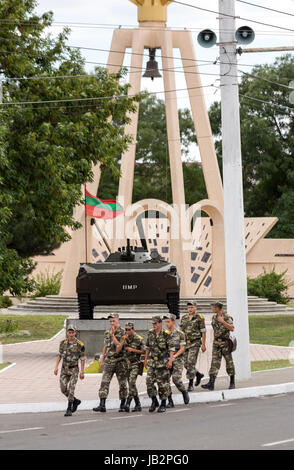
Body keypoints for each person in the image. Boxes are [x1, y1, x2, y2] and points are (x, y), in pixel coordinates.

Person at [93, 313, 128, 413]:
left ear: (118, 320)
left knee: (122, 384)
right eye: (110, 321)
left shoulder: (123, 332)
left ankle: (122, 404)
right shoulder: (107, 332)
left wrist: (113, 335)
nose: (112, 323)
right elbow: (105, 346)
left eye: (114, 321)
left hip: (120, 360)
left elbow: (119, 346)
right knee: (104, 382)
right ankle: (102, 404)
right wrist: (102, 360)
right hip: (109, 360)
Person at [202, 302, 235, 391]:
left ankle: (232, 382)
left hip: (225, 343)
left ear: (217, 308)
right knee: (214, 362)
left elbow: (232, 328)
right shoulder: (214, 317)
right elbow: (214, 329)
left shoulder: (227, 317)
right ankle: (211, 383)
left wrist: (223, 321)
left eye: (213, 307)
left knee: (229, 362)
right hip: (216, 343)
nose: (212, 308)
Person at [54, 324, 85, 417]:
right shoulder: (63, 343)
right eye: (69, 332)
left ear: (75, 333)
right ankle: (75, 401)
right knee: (63, 389)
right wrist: (56, 367)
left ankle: (69, 408)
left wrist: (82, 372)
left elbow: (82, 358)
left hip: (74, 369)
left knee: (71, 388)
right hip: (64, 369)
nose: (71, 334)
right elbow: (60, 355)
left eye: (72, 332)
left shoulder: (80, 344)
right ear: (67, 333)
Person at [144, 315, 173, 413]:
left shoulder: (166, 334)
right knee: (149, 382)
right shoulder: (150, 333)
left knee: (162, 384)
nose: (154, 325)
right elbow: (147, 347)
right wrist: (145, 359)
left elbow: (171, 349)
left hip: (162, 362)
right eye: (153, 323)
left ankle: (163, 403)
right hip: (152, 362)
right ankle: (154, 401)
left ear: (160, 323)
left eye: (155, 323)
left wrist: (170, 361)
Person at [116, 322, 146, 412]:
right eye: (126, 330)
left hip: (135, 364)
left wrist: (133, 350)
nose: (127, 331)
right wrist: (123, 341)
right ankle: (138, 404)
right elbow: (117, 350)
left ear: (133, 329)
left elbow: (144, 351)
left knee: (132, 382)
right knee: (131, 385)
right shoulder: (124, 338)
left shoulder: (139, 339)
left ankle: (128, 403)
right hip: (126, 365)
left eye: (129, 329)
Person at [163, 314, 190, 407]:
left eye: (168, 322)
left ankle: (184, 391)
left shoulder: (180, 333)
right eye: (165, 322)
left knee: (176, 379)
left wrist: (174, 356)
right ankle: (170, 401)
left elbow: (182, 348)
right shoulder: (164, 334)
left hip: (178, 359)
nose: (166, 324)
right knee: (165, 380)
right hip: (167, 359)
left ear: (173, 321)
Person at [180, 301, 206, 391]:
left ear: (195, 308)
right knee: (186, 364)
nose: (190, 309)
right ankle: (198, 374)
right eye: (188, 307)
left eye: (191, 307)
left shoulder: (199, 318)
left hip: (195, 343)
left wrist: (203, 344)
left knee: (191, 362)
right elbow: (181, 332)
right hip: (186, 343)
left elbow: (203, 331)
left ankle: (190, 384)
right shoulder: (184, 318)